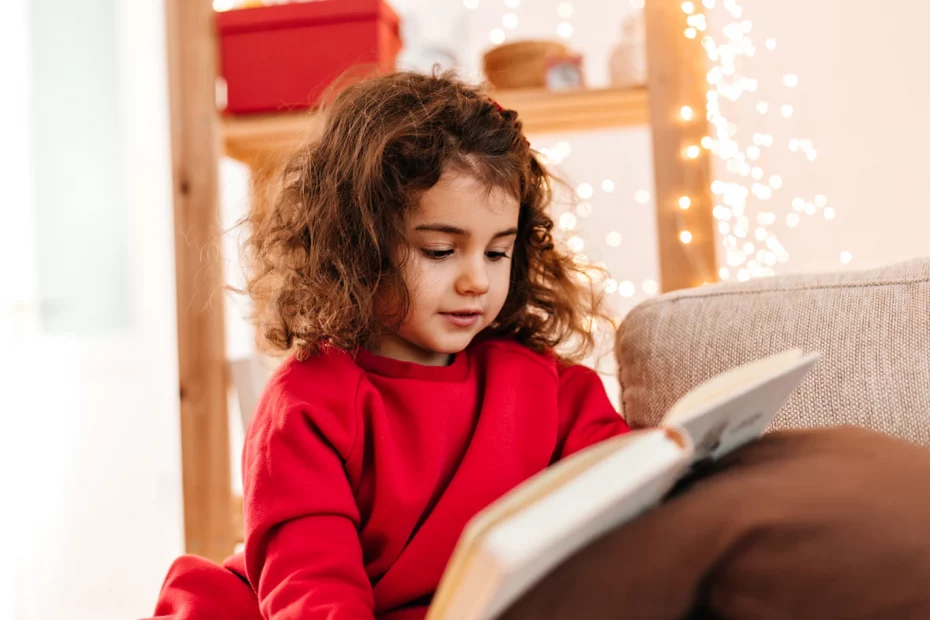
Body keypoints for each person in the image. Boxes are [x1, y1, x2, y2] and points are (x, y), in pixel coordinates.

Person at [149, 71, 629, 620]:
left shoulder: (545, 383)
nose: (476, 279)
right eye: (441, 251)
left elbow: (624, 480)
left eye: (497, 254)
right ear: (358, 245)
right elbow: (311, 584)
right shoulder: (307, 403)